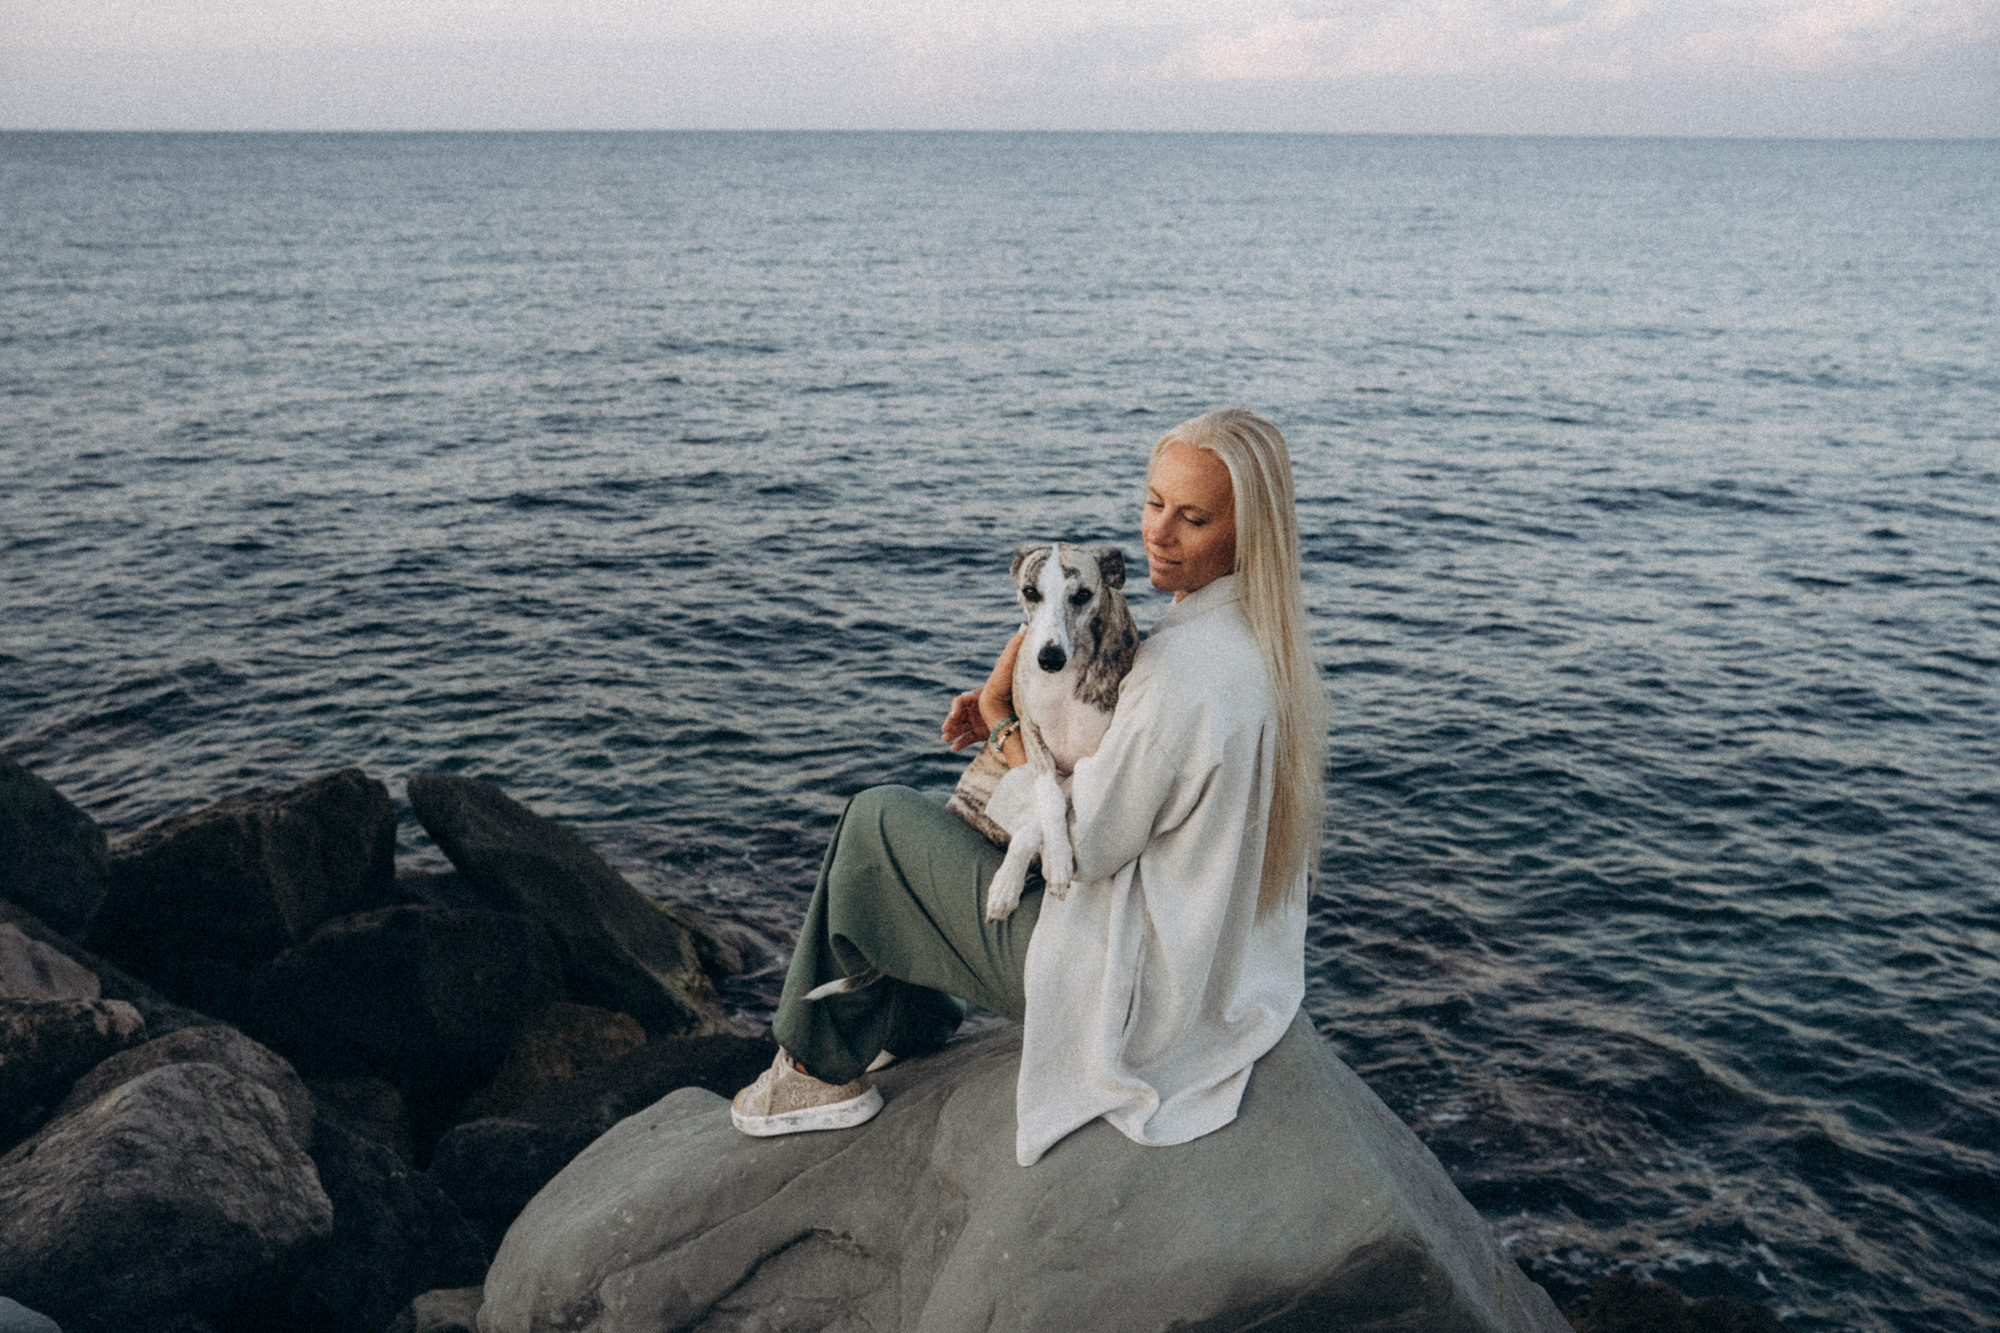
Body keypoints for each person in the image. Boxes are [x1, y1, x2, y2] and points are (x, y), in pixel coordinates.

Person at [731, 408, 1328, 1167]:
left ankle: (815, 1072)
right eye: (1154, 503)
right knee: (936, 833)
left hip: (1124, 993)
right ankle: (910, 1019)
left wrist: (1003, 726)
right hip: (1213, 975)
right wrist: (1032, 711)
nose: (1158, 533)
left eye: (1194, 518)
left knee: (878, 823)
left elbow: (1086, 846)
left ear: (1251, 532)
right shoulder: (1263, 644)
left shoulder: (1179, 676)